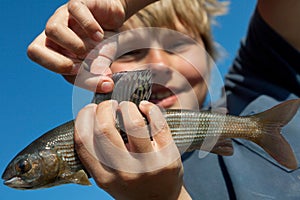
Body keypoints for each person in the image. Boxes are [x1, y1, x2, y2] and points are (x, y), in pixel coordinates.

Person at [26, 0, 300, 199]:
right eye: (131, 53)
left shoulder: (263, 80)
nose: (158, 65)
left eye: (177, 46)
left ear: (207, 50)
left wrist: (124, 3)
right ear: (101, 71)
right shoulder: (122, 185)